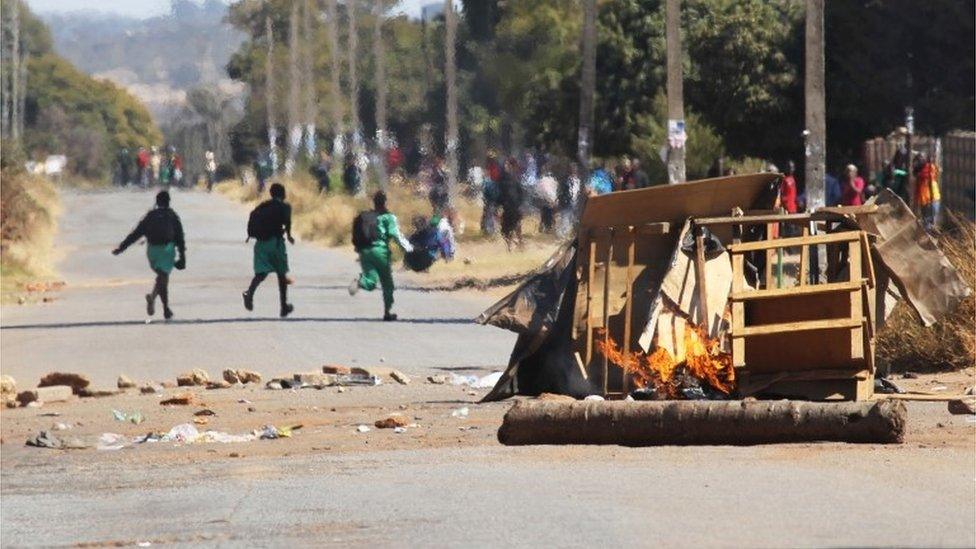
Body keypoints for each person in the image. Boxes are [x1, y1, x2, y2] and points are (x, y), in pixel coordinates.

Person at [112, 191, 186, 320]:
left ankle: (166, 309)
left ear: (157, 202)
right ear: (168, 202)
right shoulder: (172, 215)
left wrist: (121, 248)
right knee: (163, 277)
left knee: (162, 277)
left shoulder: (150, 216)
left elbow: (136, 234)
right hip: (167, 251)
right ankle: (153, 297)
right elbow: (180, 237)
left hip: (152, 251)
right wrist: (182, 257)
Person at [349, 191, 414, 321]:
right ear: (385, 202)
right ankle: (387, 312)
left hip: (365, 252)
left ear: (374, 202)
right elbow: (396, 236)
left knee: (371, 281)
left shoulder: (367, 217)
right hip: (380, 252)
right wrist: (410, 249)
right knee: (387, 283)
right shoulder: (388, 217)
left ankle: (361, 282)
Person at [242, 183, 295, 317]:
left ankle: (249, 293)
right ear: (282, 194)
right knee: (281, 275)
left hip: (261, 244)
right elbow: (287, 223)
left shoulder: (262, 206)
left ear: (271, 194)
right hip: (276, 243)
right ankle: (283, 307)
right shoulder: (285, 207)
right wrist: (289, 235)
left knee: (261, 273)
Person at [499, 157, 525, 251]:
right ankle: (512, 244)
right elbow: (500, 193)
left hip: (515, 207)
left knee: (516, 226)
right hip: (506, 207)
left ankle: (518, 245)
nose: (505, 166)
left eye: (507, 164)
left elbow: (521, 192)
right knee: (505, 229)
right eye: (505, 164)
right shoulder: (502, 178)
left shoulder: (515, 178)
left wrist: (520, 205)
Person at [913, 152, 941, 230]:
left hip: (930, 201)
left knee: (927, 225)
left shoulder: (928, 170)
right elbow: (917, 191)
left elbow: (930, 172)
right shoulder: (923, 174)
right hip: (930, 201)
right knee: (928, 224)